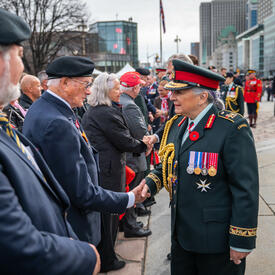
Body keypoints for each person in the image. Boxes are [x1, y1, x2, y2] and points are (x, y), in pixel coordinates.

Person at [0, 8, 100, 274]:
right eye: (20, 56)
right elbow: (15, 244)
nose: (23, 69)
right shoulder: (52, 119)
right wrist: (82, 255)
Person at [142, 59, 259, 275]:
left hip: (216, 242)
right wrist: (151, 182)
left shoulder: (232, 128)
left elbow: (246, 188)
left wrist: (241, 240)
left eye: (179, 92)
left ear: (202, 96)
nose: (172, 97)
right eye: (172, 92)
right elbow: (170, 162)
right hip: (182, 235)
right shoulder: (177, 123)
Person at [23, 56, 148, 247]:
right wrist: (130, 198)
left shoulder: (49, 108)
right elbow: (82, 193)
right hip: (74, 226)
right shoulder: (56, 122)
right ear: (65, 83)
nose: (89, 90)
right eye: (85, 84)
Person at [81, 73, 149, 272]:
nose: (120, 91)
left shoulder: (101, 110)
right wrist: (143, 145)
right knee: (108, 216)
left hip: (106, 168)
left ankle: (107, 253)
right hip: (108, 171)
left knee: (109, 215)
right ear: (105, 91)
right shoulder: (104, 112)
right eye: (117, 88)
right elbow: (124, 140)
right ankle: (107, 258)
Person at [119, 71, 153, 237]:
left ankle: (128, 223)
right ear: (133, 88)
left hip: (128, 154)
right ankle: (130, 226)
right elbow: (140, 131)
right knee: (132, 190)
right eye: (139, 85)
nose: (140, 88)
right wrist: (149, 140)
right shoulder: (130, 105)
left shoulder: (122, 101)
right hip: (133, 155)